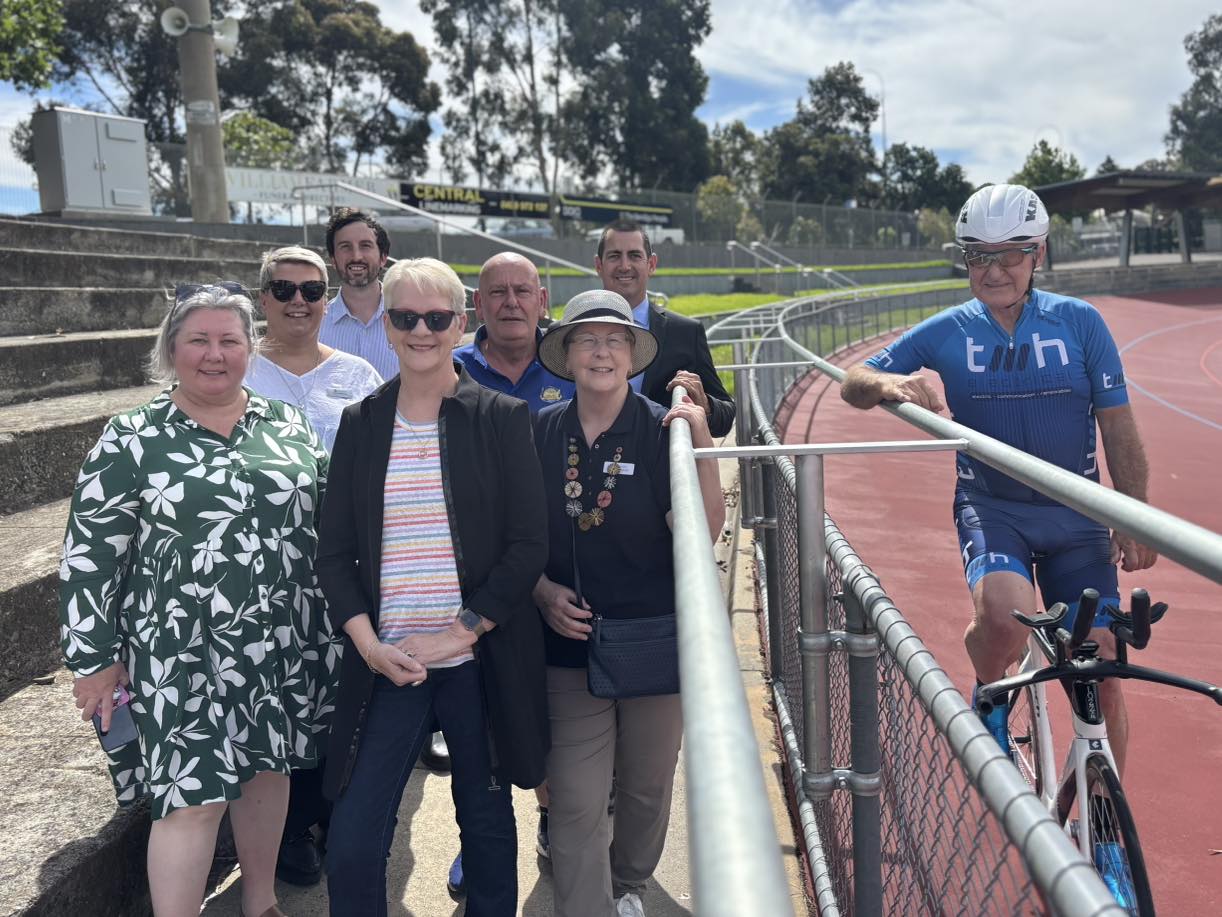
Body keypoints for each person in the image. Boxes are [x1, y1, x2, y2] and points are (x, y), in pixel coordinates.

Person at [839, 183, 1157, 773]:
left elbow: (1117, 424)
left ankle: (1107, 820)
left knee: (1104, 664)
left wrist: (1134, 512)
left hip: (1077, 514)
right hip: (994, 510)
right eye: (977, 255)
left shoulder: (1080, 323)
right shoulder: (949, 329)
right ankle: (990, 689)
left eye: (1010, 253)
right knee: (1004, 617)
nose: (993, 269)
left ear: (1038, 253)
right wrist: (886, 385)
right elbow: (852, 378)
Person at [59, 283, 330, 917]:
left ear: (250, 348)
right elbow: (89, 555)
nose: (215, 354)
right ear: (171, 350)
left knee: (268, 772)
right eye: (198, 340)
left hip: (279, 640)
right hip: (180, 652)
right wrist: (93, 659)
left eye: (229, 340)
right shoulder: (132, 436)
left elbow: (323, 519)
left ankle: (260, 901)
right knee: (192, 800)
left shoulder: (285, 422)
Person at [317, 257, 549, 917]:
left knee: (485, 821)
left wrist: (459, 630)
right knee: (355, 840)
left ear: (460, 322)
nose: (421, 329)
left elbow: (528, 543)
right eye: (406, 317)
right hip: (390, 663)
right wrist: (368, 645)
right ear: (386, 325)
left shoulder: (501, 418)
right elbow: (333, 555)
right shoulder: (363, 423)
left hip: (476, 660)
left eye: (437, 317)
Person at [531, 289, 726, 917]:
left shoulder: (659, 429)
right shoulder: (537, 430)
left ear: (633, 354)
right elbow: (513, 536)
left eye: (615, 339)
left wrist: (700, 439)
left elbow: (702, 529)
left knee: (645, 788)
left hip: (653, 640)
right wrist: (539, 590)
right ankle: (584, 907)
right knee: (577, 797)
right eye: (587, 339)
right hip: (568, 647)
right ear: (566, 353)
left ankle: (628, 887)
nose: (602, 352)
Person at [244, 246, 383, 885]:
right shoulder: (234, 370)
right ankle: (294, 825)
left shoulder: (356, 374)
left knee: (341, 691)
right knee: (281, 693)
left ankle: (335, 809)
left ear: (326, 298)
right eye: (284, 288)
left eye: (311, 289)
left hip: (347, 557)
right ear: (263, 297)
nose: (298, 300)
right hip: (261, 567)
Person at [595, 219, 735, 437]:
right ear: (598, 266)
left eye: (634, 255)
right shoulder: (572, 334)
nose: (624, 266)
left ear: (651, 264)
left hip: (661, 467)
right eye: (614, 256)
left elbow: (725, 416)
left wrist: (705, 405)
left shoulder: (686, 333)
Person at [319, 208, 400, 380]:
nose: (356, 256)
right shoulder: (316, 326)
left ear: (383, 258)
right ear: (333, 259)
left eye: (365, 246)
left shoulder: (410, 321)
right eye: (345, 247)